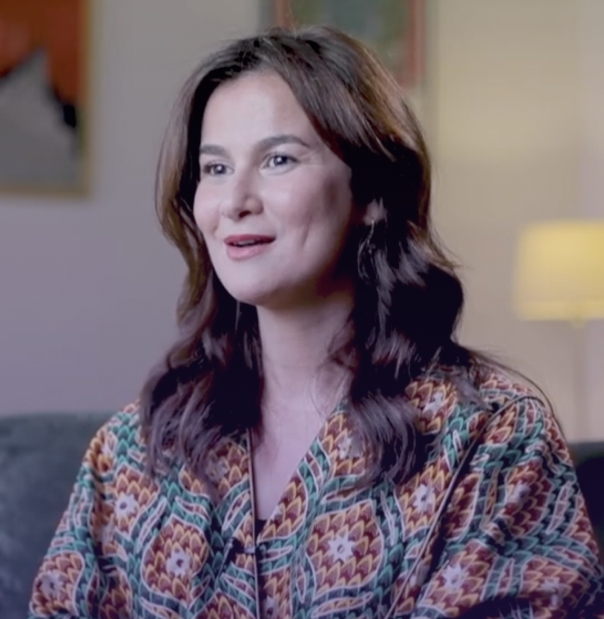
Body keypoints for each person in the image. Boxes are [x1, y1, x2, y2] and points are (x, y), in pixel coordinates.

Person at [29, 26, 603, 619]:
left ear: (372, 193)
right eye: (215, 168)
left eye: (278, 160)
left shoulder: (492, 438)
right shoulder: (136, 448)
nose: (235, 201)